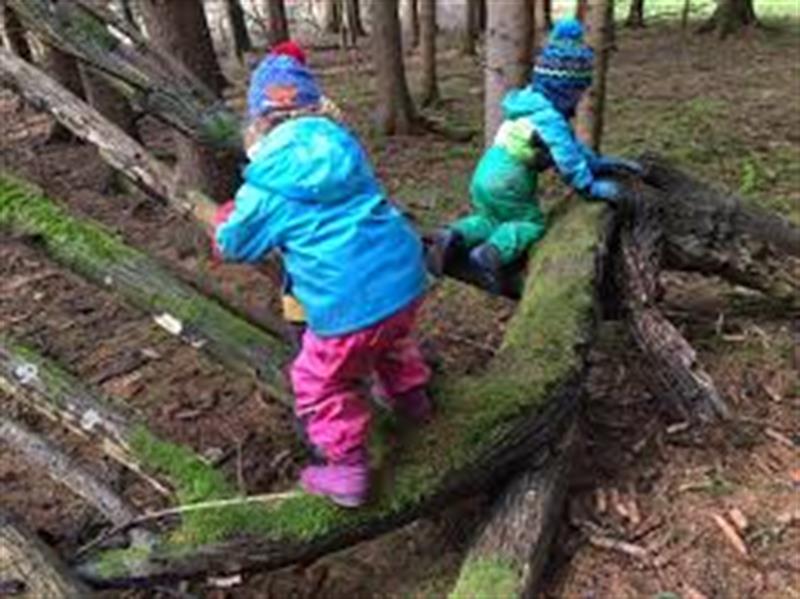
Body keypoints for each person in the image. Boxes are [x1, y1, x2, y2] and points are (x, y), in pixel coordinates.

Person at [212, 44, 432, 508]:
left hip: (346, 301)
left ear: (258, 123)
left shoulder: (266, 183)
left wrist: (227, 217)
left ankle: (348, 469)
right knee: (389, 336)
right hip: (404, 279)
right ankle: (413, 400)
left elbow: (233, 244)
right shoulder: (344, 149)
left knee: (318, 379)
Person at [428, 19, 641, 294]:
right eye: (579, 92)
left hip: (486, 171)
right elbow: (567, 158)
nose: (579, 99)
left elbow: (572, 149)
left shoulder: (528, 104)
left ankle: (452, 235)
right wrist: (589, 185)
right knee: (530, 222)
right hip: (510, 179)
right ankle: (491, 254)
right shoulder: (550, 119)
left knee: (491, 217)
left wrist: (600, 163)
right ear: (568, 90)